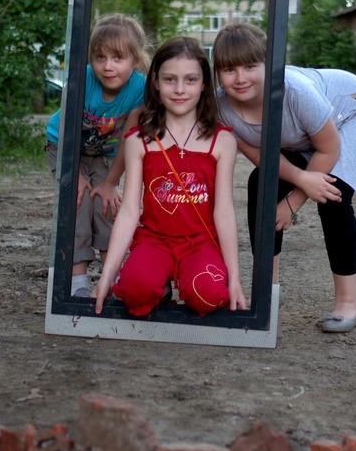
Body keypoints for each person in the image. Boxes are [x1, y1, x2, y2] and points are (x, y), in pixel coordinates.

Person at [212, 23, 356, 333]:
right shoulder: (221, 106)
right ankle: (268, 288)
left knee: (332, 195)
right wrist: (293, 186)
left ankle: (348, 303)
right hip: (302, 138)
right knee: (260, 185)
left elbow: (329, 149)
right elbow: (261, 157)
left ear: (269, 64)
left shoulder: (294, 91)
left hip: (347, 113)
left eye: (250, 66)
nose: (240, 78)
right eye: (229, 69)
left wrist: (293, 201)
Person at [92, 36, 247, 317]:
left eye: (190, 80)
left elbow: (224, 212)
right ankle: (156, 284)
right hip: (154, 241)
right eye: (169, 79)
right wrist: (106, 276)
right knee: (134, 291)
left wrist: (235, 280)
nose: (179, 90)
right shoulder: (139, 140)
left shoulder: (222, 141)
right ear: (155, 81)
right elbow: (128, 212)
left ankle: (189, 280)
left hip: (201, 242)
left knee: (209, 296)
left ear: (203, 84)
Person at [45, 14, 150, 298]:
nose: (107, 66)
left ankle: (112, 278)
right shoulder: (83, 78)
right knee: (77, 204)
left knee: (108, 206)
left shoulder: (140, 89)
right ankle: (77, 282)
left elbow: (129, 137)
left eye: (118, 57)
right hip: (65, 147)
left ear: (135, 60)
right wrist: (74, 175)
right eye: (100, 57)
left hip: (105, 153)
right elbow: (66, 129)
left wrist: (111, 182)